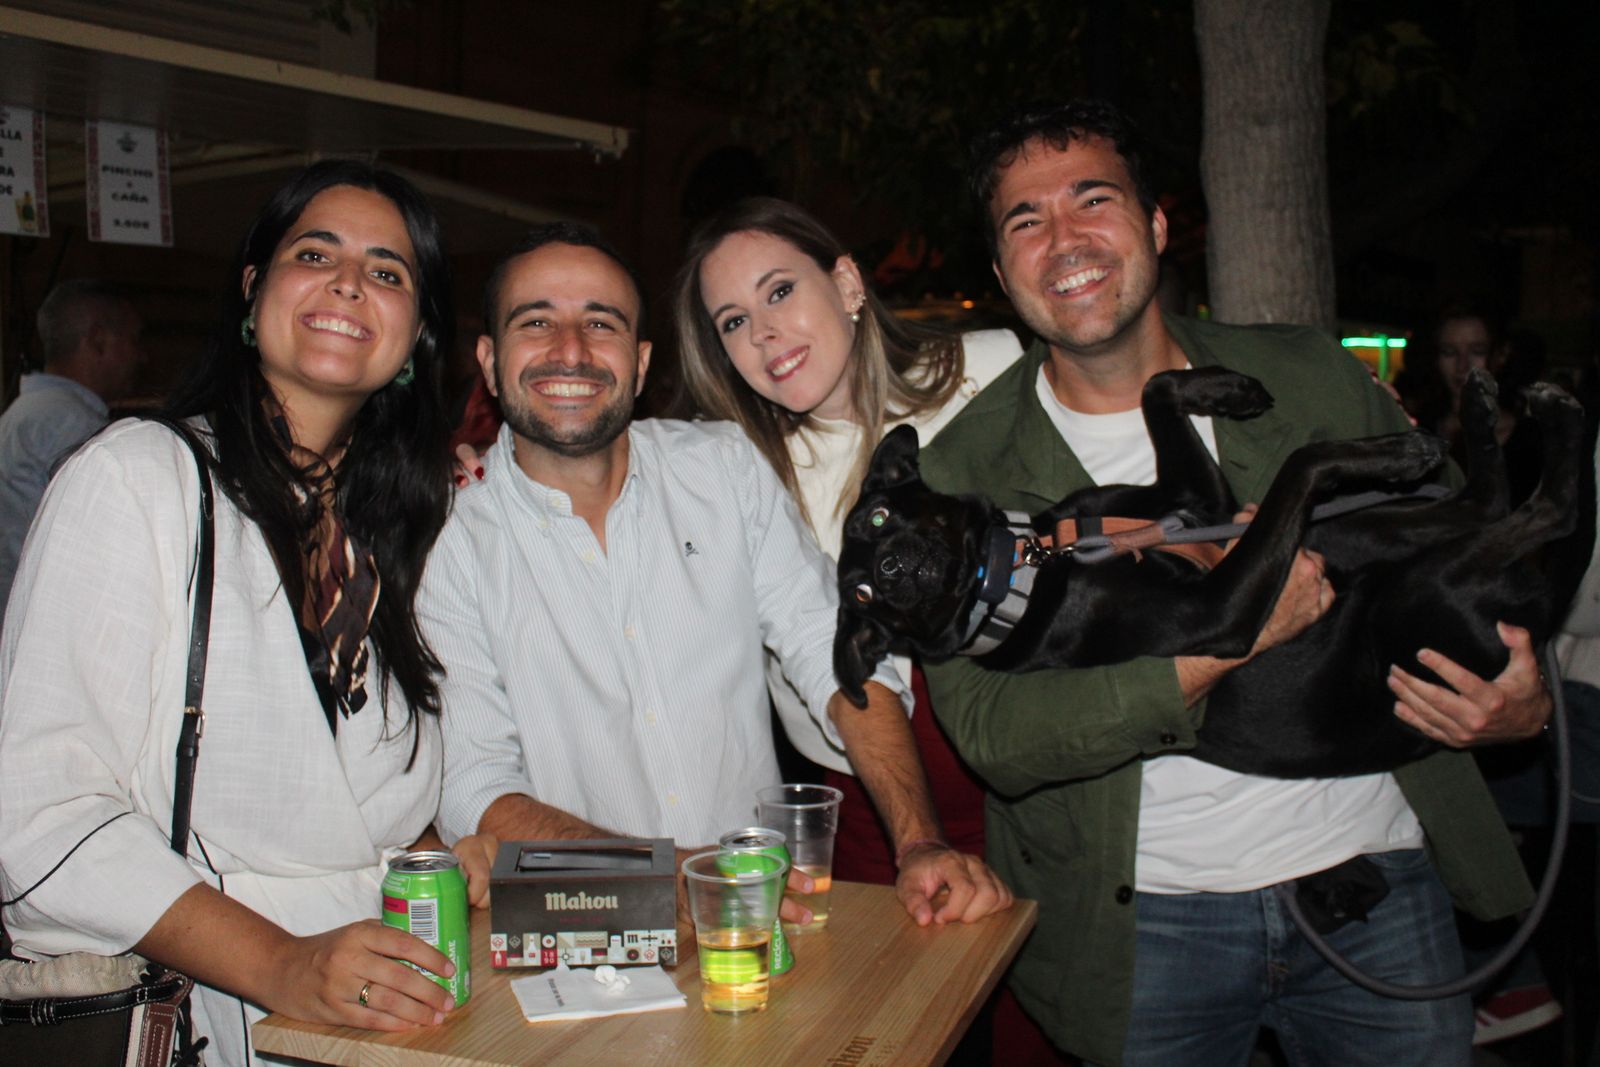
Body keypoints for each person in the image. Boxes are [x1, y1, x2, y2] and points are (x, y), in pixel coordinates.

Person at [917, 99, 1551, 1066]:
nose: (1065, 239)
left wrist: (1519, 695)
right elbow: (996, 735)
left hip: (1374, 879)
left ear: (1156, 223)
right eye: (1025, 220)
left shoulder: (1305, 372)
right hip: (1146, 929)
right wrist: (1230, 637)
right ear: (1002, 274)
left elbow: (1469, 542)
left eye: (1094, 199)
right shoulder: (966, 474)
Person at [0, 161, 494, 1067]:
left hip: (374, 1025)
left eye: (387, 271)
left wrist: (441, 859)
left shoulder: (392, 534)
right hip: (205, 1016)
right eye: (316, 253)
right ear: (253, 287)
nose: (349, 283)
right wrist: (283, 962)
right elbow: (41, 811)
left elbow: (355, 808)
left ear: (417, 336)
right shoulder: (137, 478)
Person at [421, 222, 1010, 929]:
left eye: (601, 323)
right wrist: (668, 877)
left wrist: (919, 841)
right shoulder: (448, 537)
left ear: (641, 363)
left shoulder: (721, 467)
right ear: (489, 362)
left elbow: (833, 647)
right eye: (536, 321)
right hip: (577, 936)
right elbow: (475, 785)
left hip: (764, 923)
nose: (570, 349)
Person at [672, 196, 1023, 883]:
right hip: (869, 803)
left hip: (1039, 779)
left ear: (848, 283)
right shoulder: (735, 471)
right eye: (734, 321)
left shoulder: (990, 372)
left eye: (780, 291)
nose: (765, 333)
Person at [0, 279, 144, 608]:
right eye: (134, 340)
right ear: (98, 341)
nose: (142, 356)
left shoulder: (25, 413)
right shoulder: (75, 427)